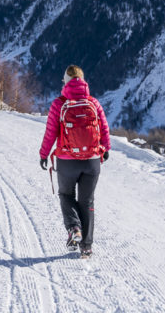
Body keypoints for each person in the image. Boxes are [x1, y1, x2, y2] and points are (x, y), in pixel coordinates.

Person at [39, 65, 111, 258]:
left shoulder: (59, 104)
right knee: (87, 201)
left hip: (66, 161)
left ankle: (74, 228)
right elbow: (104, 129)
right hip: (92, 161)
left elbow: (50, 134)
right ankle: (86, 247)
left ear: (66, 81)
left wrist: (44, 154)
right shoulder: (93, 103)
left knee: (66, 195)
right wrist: (106, 149)